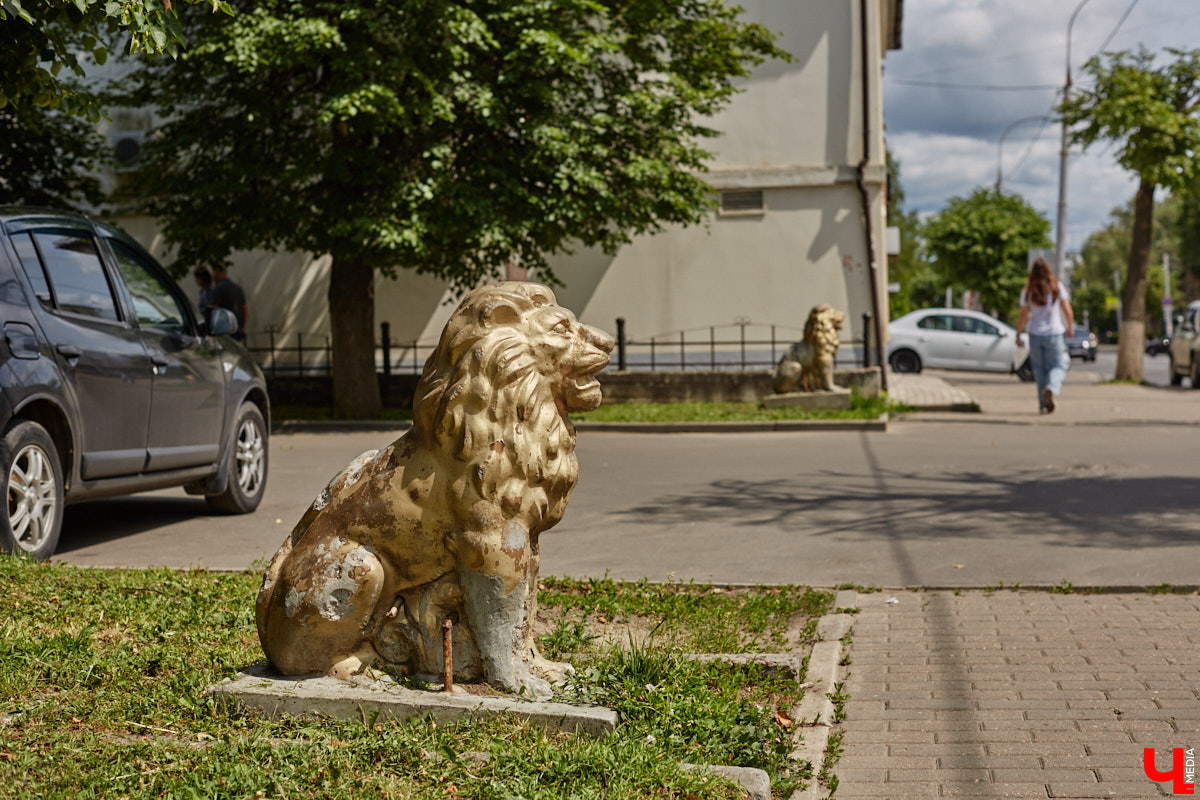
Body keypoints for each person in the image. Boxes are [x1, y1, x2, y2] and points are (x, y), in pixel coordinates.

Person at [1016, 258, 1075, 414]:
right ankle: (1052, 388)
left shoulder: (1028, 291)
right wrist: (1070, 327)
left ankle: (1043, 405)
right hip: (1054, 333)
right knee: (1058, 365)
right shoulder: (1057, 288)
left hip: (1034, 334)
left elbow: (1023, 315)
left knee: (1039, 370)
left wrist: (1018, 333)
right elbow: (1068, 311)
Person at [210, 265, 248, 342]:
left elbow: (214, 309)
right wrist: (243, 327)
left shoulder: (218, 289)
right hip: (237, 328)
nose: (213, 278)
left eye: (213, 275)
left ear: (218, 273)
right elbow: (244, 308)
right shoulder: (237, 288)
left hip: (224, 330)